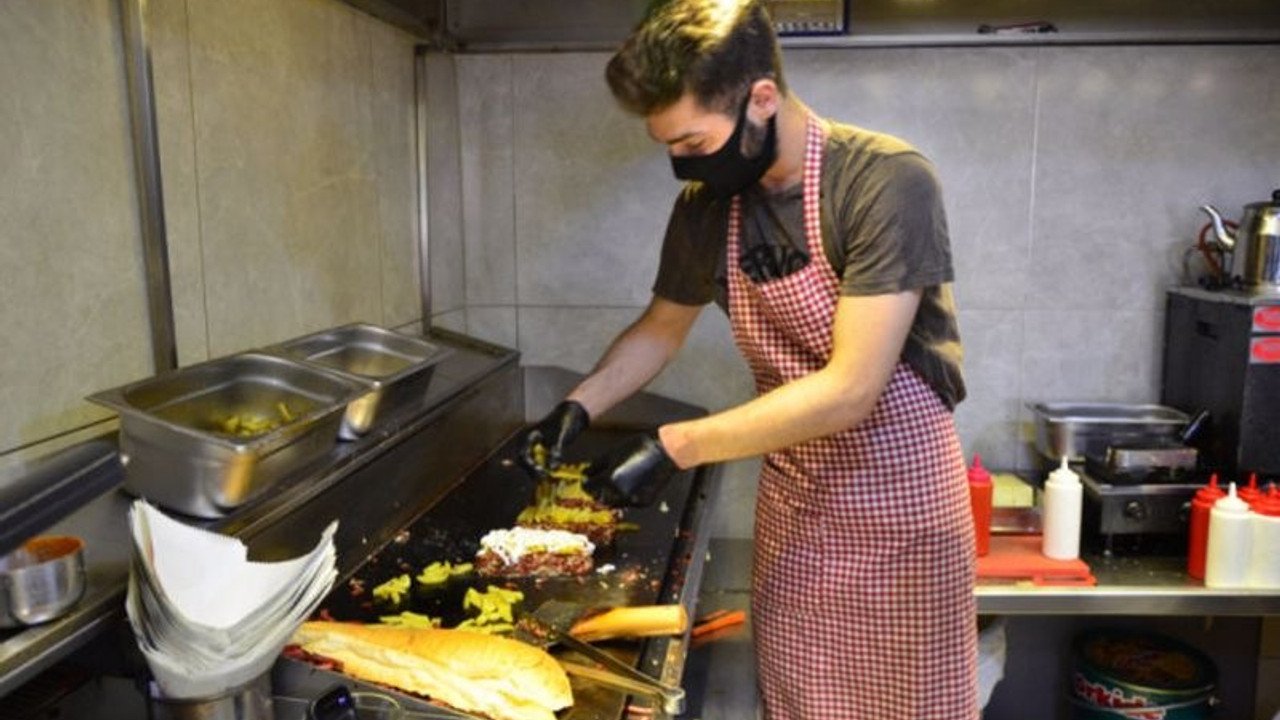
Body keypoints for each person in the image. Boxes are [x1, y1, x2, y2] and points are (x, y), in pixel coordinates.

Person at [518, 0, 977, 717]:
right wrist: (578, 407)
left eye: (695, 142)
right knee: (799, 701)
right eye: (667, 146)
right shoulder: (710, 204)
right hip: (799, 501)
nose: (681, 165)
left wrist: (676, 445)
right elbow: (661, 328)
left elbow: (852, 388)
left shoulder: (884, 181)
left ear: (761, 98)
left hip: (901, 506)